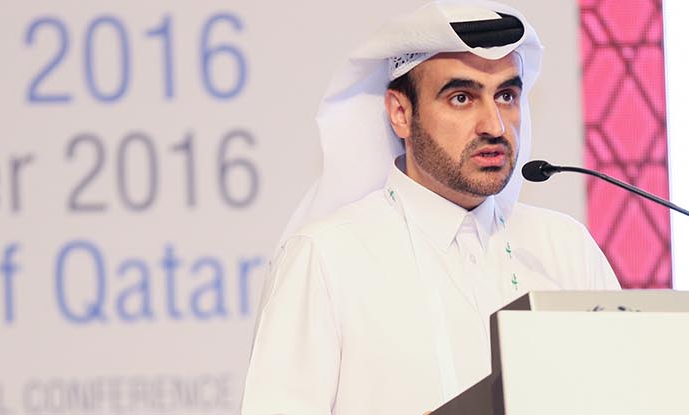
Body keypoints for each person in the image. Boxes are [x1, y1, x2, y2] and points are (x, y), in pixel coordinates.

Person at [239, 1, 620, 414]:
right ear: (400, 113)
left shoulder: (565, 247)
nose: (494, 126)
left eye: (506, 95)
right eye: (462, 98)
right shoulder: (327, 258)